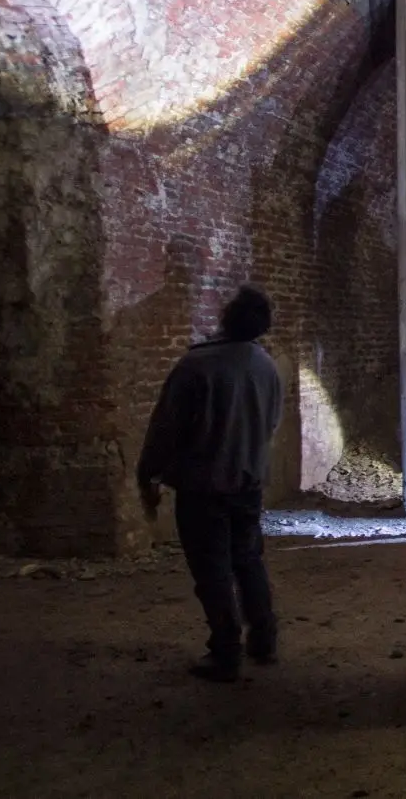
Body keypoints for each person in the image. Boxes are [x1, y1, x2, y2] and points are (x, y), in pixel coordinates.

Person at [137, 286, 285, 682]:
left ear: (225, 318)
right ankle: (264, 638)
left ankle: (225, 651)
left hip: (202, 486)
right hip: (248, 482)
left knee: (212, 568)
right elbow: (271, 423)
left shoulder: (195, 367)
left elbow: (165, 430)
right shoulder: (266, 366)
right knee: (248, 559)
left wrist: (147, 473)